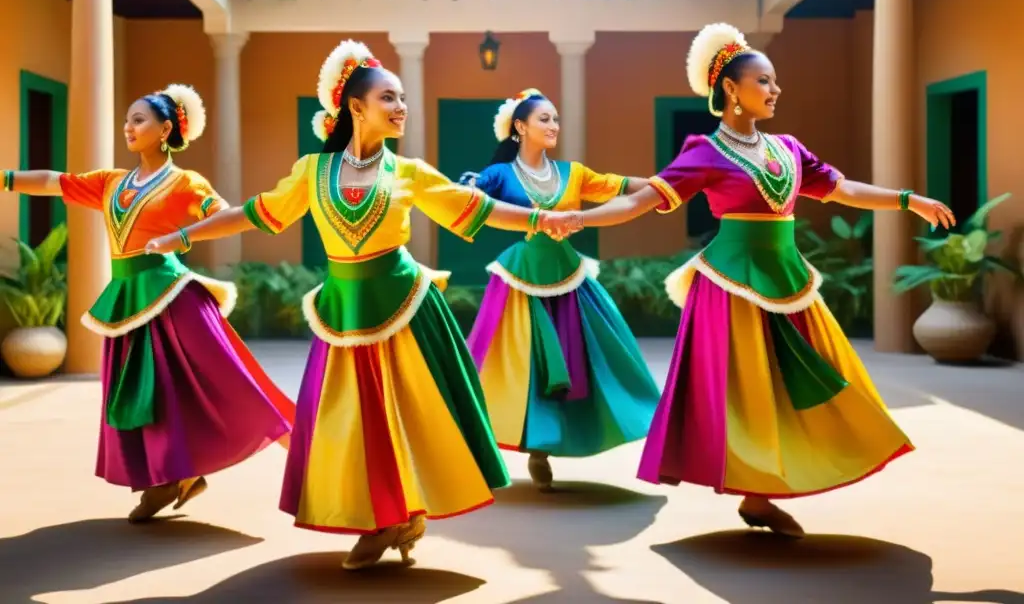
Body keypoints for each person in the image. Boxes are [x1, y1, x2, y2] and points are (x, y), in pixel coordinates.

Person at [144, 41, 579, 570]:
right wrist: (183, 236)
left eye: (402, 98)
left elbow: (479, 207)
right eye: (388, 97)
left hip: (405, 308)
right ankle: (383, 520)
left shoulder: (411, 171)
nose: (401, 107)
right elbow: (252, 213)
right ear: (355, 107)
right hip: (342, 314)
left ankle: (403, 515)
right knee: (353, 422)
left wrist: (538, 219)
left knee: (415, 418)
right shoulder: (312, 172)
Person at [560, 23, 955, 538]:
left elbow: (843, 190)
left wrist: (908, 199)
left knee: (813, 377)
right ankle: (758, 493)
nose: (775, 90)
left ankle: (760, 494)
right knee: (745, 390)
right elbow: (639, 201)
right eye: (764, 81)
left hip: (787, 281)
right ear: (731, 89)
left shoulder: (787, 148)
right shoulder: (703, 152)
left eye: (774, 82)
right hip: (730, 286)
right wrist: (580, 219)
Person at [1, 84, 294, 523]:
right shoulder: (110, 183)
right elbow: (52, 181)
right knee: (145, 392)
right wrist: (6, 178)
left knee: (227, 378)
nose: (128, 127)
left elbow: (222, 215)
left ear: (165, 129)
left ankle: (298, 446)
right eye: (126, 120)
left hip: (173, 295)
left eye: (139, 120)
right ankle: (171, 476)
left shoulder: (185, 183)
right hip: (127, 300)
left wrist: (183, 236)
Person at [458, 89, 661, 491]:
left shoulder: (574, 173)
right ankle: (510, 445)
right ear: (520, 127)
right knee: (520, 363)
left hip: (568, 277)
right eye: (544, 119)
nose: (553, 126)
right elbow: (469, 202)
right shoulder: (499, 175)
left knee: (586, 359)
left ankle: (551, 444)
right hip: (520, 279)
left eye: (555, 119)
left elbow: (620, 186)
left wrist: (668, 184)